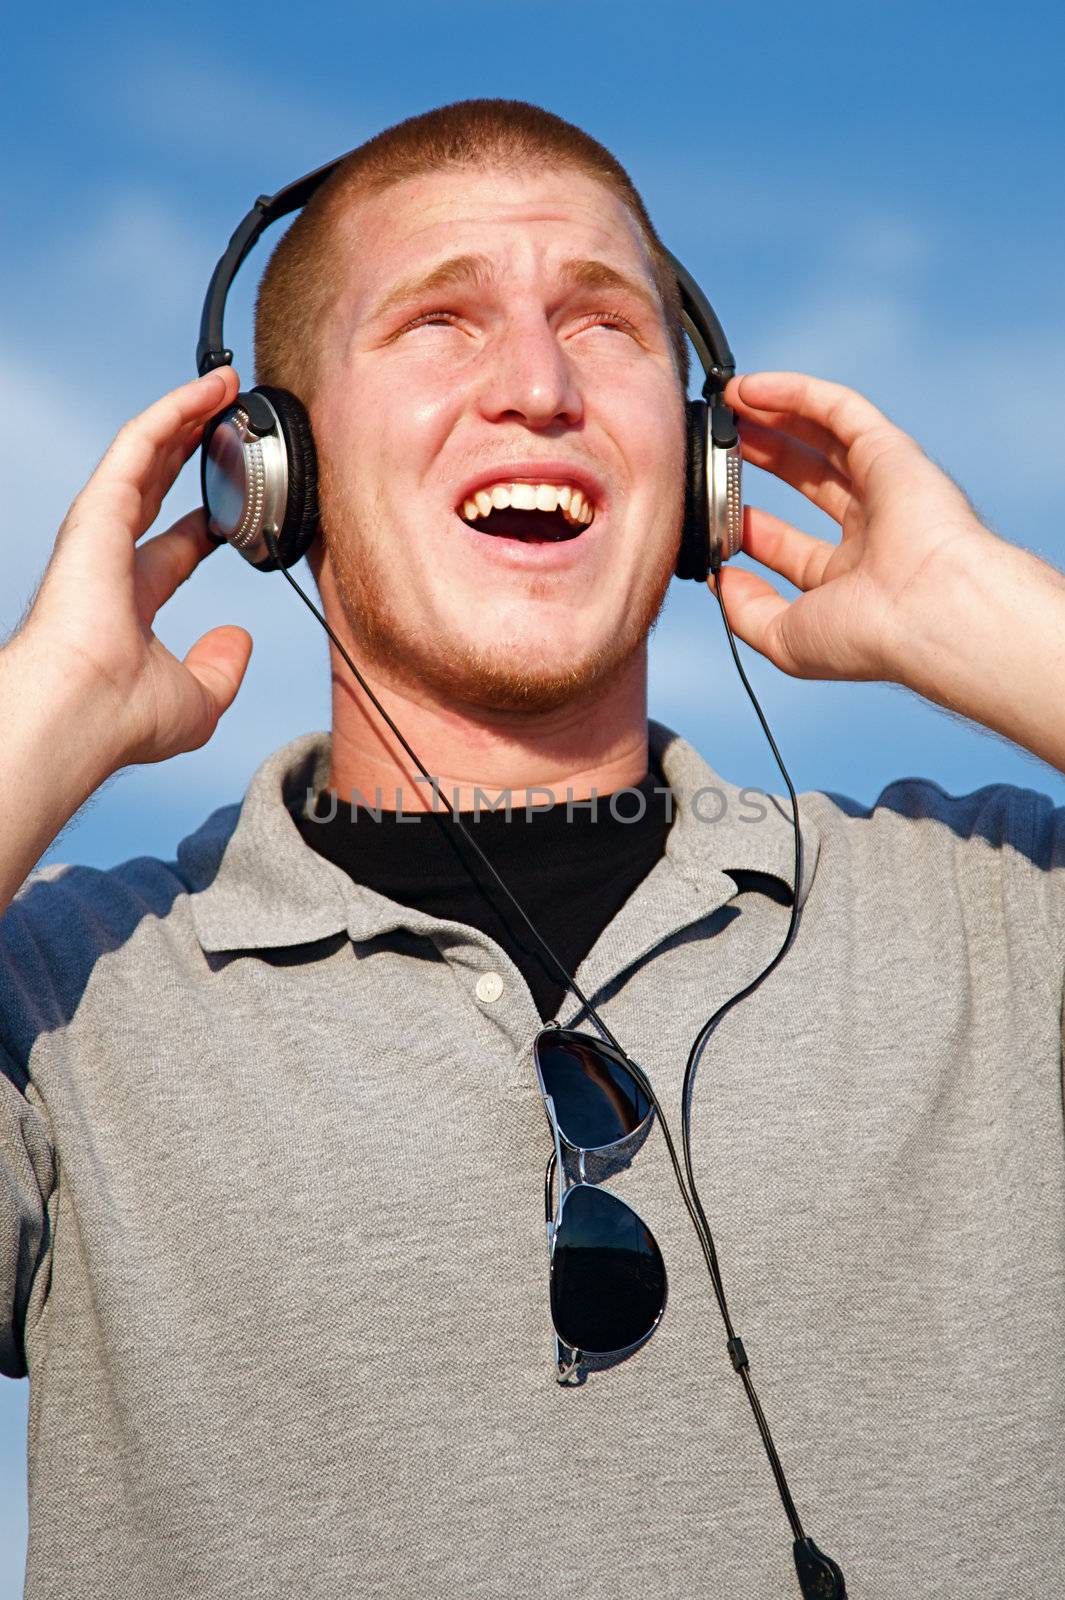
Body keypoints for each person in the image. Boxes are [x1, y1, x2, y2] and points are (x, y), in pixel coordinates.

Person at [1, 98, 1062, 1600]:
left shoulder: (1002, 920)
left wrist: (999, 621)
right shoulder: (58, 997)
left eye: (606, 325)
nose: (540, 386)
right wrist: (33, 720)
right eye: (440, 322)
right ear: (269, 472)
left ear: (699, 459)